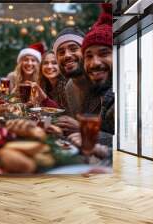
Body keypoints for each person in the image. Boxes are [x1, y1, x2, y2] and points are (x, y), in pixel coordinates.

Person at [69, 3, 114, 147]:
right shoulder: (99, 92)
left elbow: (139, 143)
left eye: (104, 53)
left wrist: (86, 133)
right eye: (89, 56)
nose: (94, 63)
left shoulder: (128, 97)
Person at [52, 28, 101, 135]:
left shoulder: (105, 83)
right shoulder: (69, 87)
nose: (67, 55)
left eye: (73, 49)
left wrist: (83, 129)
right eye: (61, 52)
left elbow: (121, 139)